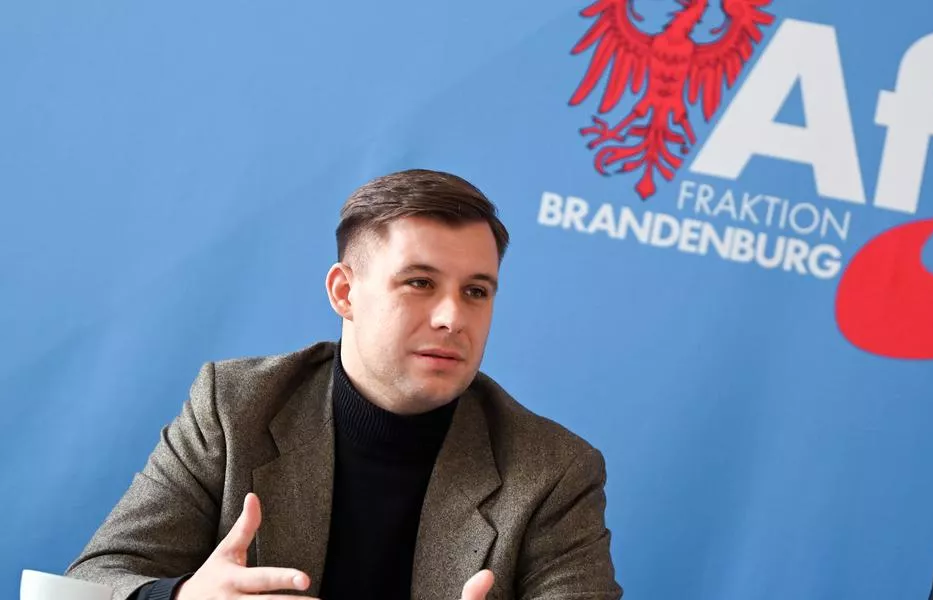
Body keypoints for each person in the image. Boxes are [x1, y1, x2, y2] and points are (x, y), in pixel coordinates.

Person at [65, 169, 623, 600]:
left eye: (477, 291)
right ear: (344, 293)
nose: (454, 316)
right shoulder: (235, 407)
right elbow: (95, 581)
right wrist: (182, 596)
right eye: (420, 282)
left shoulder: (552, 468)